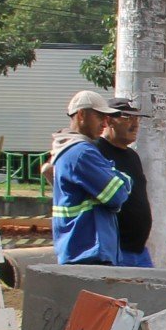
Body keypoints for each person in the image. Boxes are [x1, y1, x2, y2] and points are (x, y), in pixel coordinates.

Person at [51, 90, 130, 265]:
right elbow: (117, 195)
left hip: (80, 250)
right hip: (88, 252)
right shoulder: (81, 153)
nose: (105, 123)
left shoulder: (72, 150)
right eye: (100, 117)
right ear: (81, 115)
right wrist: (122, 178)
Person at [96, 96, 154, 267]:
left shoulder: (132, 156)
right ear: (108, 120)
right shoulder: (95, 152)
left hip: (139, 251)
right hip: (115, 250)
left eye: (136, 118)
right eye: (127, 118)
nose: (135, 124)